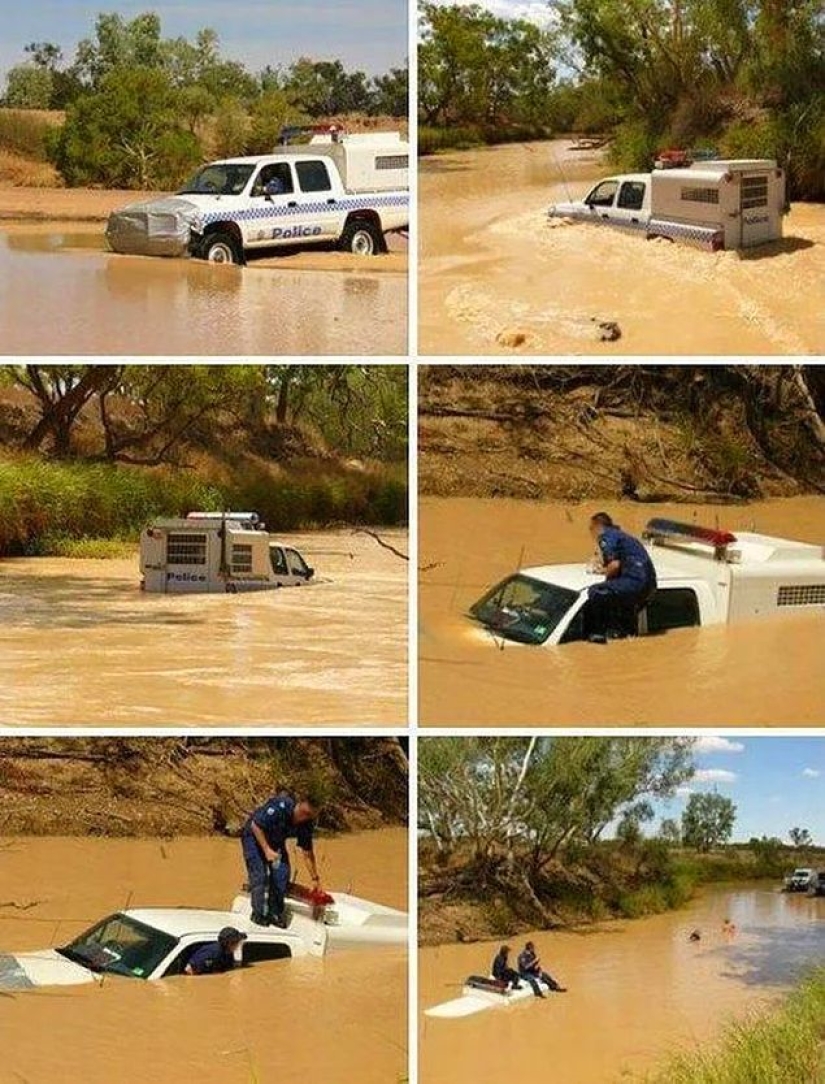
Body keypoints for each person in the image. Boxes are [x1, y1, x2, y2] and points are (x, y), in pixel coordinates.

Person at [241, 789, 323, 928]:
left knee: (282, 875)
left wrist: (315, 879)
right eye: (304, 813)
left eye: (309, 816)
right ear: (300, 804)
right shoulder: (281, 807)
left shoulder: (306, 824)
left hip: (275, 842)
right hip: (255, 837)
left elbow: (307, 852)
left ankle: (275, 912)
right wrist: (266, 850)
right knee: (259, 875)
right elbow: (256, 825)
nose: (304, 817)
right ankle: (258, 913)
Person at [586, 512, 657, 642]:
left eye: (591, 529)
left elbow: (615, 565)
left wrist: (603, 573)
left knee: (596, 591)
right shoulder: (621, 536)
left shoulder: (606, 536)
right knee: (624, 607)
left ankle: (598, 634)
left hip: (636, 580)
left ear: (597, 526)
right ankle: (628, 634)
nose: (591, 533)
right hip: (648, 583)